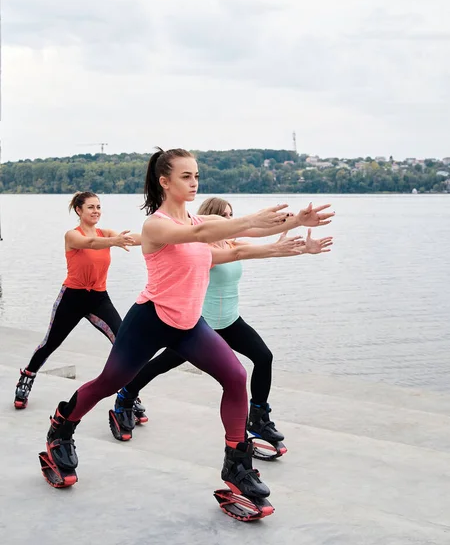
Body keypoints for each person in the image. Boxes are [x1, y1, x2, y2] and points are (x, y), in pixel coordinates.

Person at [40, 148, 333, 510]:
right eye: (185, 176)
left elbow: (237, 244)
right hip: (150, 320)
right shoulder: (156, 225)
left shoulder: (195, 223)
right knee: (109, 382)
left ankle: (237, 466)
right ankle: (62, 427)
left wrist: (293, 225)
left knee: (235, 375)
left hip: (189, 325)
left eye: (196, 176)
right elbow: (215, 229)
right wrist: (253, 220)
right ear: (164, 181)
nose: (194, 182)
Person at [110, 196, 333, 452]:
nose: (229, 220)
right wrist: (276, 247)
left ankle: (259, 416)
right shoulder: (203, 251)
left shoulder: (230, 240)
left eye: (231, 215)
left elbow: (256, 235)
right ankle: (126, 394)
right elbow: (240, 252)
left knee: (263, 357)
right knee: (162, 364)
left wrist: (298, 241)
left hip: (229, 321)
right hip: (201, 324)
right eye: (224, 216)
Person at [14, 191, 144, 420]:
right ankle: (27, 376)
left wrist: (163, 236)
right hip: (72, 298)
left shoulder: (107, 233)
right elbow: (91, 243)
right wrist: (113, 241)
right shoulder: (72, 236)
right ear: (79, 211)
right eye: (91, 207)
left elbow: (132, 238)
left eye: (98, 207)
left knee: (123, 342)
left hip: (99, 298)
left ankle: (129, 394)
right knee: (50, 343)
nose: (96, 211)